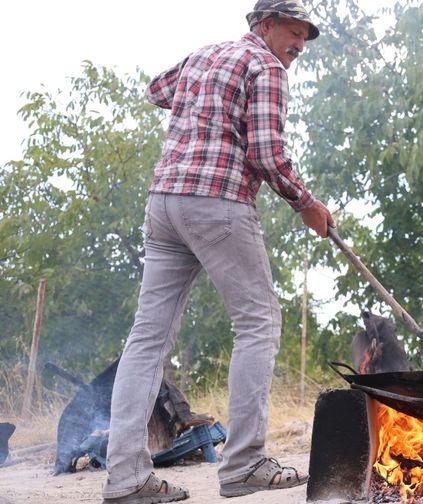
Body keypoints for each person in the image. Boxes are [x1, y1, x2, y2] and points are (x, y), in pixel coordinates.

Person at [102, 1, 334, 502]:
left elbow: (157, 90)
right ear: (264, 26)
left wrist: (204, 104)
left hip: (164, 203)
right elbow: (268, 154)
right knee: (259, 322)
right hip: (217, 202)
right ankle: (244, 464)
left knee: (147, 338)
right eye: (292, 32)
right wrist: (307, 204)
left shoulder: (205, 55)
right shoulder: (266, 67)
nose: (298, 45)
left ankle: (125, 477)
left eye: (303, 37)